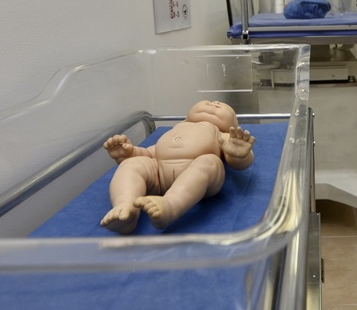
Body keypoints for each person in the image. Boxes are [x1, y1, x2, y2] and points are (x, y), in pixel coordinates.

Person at [100, 100, 255, 234]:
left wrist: (240, 155)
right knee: (131, 164)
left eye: (224, 107)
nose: (214, 104)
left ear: (232, 125)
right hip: (159, 174)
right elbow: (152, 152)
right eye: (207, 102)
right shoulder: (177, 129)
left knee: (210, 162)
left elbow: (237, 163)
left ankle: (170, 205)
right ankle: (126, 208)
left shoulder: (222, 133)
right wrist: (131, 153)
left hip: (198, 177)